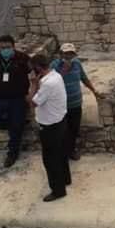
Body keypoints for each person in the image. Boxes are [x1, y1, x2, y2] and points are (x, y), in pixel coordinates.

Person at [0, 35, 31, 168]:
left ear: (13, 46)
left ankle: (12, 154)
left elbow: (33, 74)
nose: (5, 50)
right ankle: (15, 124)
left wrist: (31, 93)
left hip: (17, 99)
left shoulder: (23, 58)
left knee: (16, 130)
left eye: (8, 47)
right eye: (2, 48)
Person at [27, 53, 70, 202]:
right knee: (61, 154)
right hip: (61, 121)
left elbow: (32, 102)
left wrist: (33, 84)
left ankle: (58, 191)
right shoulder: (56, 76)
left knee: (50, 160)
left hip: (49, 127)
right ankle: (65, 179)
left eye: (32, 69)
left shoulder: (47, 84)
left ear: (38, 68)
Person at [50, 43, 103, 161]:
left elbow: (84, 78)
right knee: (62, 130)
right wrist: (64, 71)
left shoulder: (77, 63)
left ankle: (71, 150)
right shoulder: (54, 65)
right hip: (61, 105)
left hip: (76, 103)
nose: (69, 56)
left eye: (71, 54)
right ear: (60, 54)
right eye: (66, 53)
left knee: (74, 129)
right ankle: (62, 152)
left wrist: (94, 91)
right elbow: (50, 83)